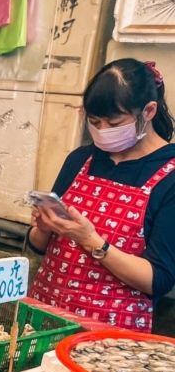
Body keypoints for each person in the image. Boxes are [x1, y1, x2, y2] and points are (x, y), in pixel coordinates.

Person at [28, 58, 175, 332]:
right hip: (44, 316)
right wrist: (44, 227)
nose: (103, 131)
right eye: (95, 122)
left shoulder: (170, 176)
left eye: (114, 122)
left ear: (149, 111)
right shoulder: (81, 159)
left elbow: (159, 280)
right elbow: (37, 246)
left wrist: (92, 242)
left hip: (109, 333)